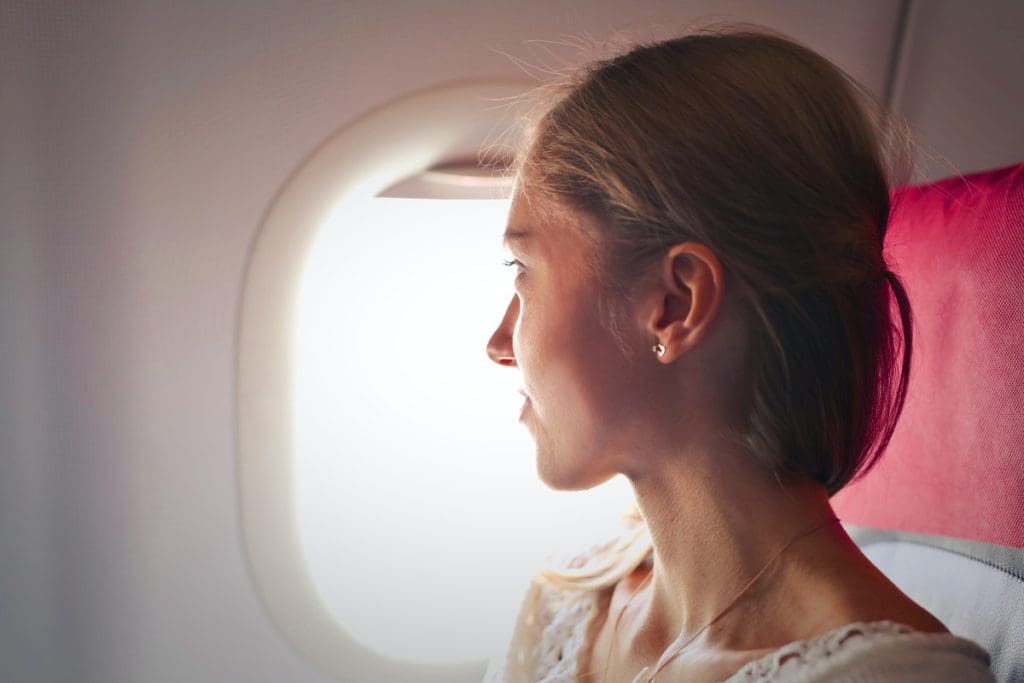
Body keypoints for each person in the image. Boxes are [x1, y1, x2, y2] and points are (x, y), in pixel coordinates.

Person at [482, 28, 996, 683]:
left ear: (674, 301)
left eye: (521, 271)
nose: (499, 343)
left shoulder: (890, 675)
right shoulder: (566, 605)